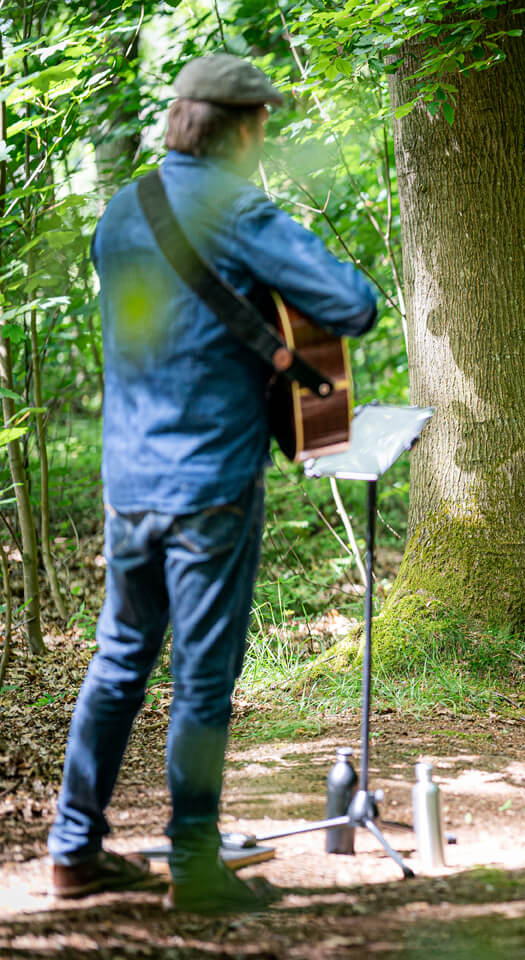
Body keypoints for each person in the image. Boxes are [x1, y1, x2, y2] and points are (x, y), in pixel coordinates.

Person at [48, 54, 378, 913]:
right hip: (210, 489)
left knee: (118, 659)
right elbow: (352, 303)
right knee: (201, 678)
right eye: (262, 121)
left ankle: (73, 851)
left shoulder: (123, 209)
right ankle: (195, 868)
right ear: (240, 127)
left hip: (128, 482)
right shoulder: (236, 206)